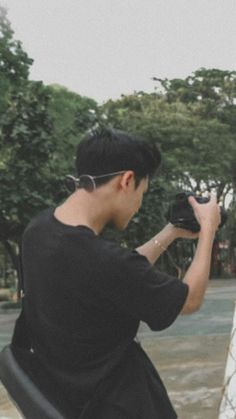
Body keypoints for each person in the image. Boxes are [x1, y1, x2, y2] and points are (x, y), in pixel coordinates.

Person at [11, 128, 220, 418]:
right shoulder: (102, 260)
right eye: (141, 194)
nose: (138, 206)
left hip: (68, 393)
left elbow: (120, 274)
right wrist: (209, 229)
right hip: (118, 401)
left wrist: (170, 232)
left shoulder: (39, 231)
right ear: (126, 180)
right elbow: (189, 299)